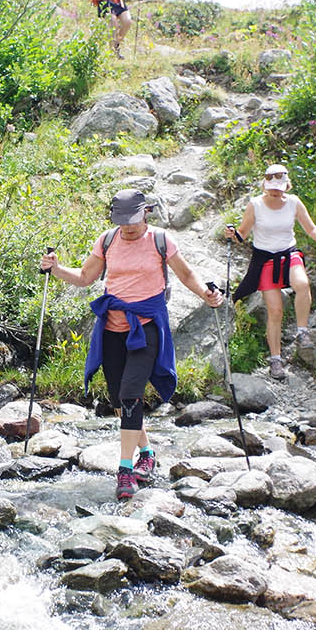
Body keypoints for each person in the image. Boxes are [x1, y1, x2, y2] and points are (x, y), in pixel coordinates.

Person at [41, 188, 223, 500]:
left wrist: (206, 295)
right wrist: (55, 269)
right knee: (118, 401)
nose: (128, 227)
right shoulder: (107, 240)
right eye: (122, 221)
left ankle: (125, 471)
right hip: (111, 328)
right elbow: (85, 277)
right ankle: (147, 453)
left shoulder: (161, 240)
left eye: (133, 220)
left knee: (130, 395)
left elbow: (186, 274)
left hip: (147, 328)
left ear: (146, 213)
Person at [225, 164, 316, 380]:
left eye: (280, 187)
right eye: (272, 186)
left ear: (286, 185)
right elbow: (243, 234)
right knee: (275, 311)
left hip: (289, 253)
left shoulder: (294, 202)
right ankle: (276, 361)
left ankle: (302, 332)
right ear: (265, 184)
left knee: (302, 284)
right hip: (265, 259)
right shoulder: (255, 205)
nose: (276, 191)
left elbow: (310, 228)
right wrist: (233, 235)